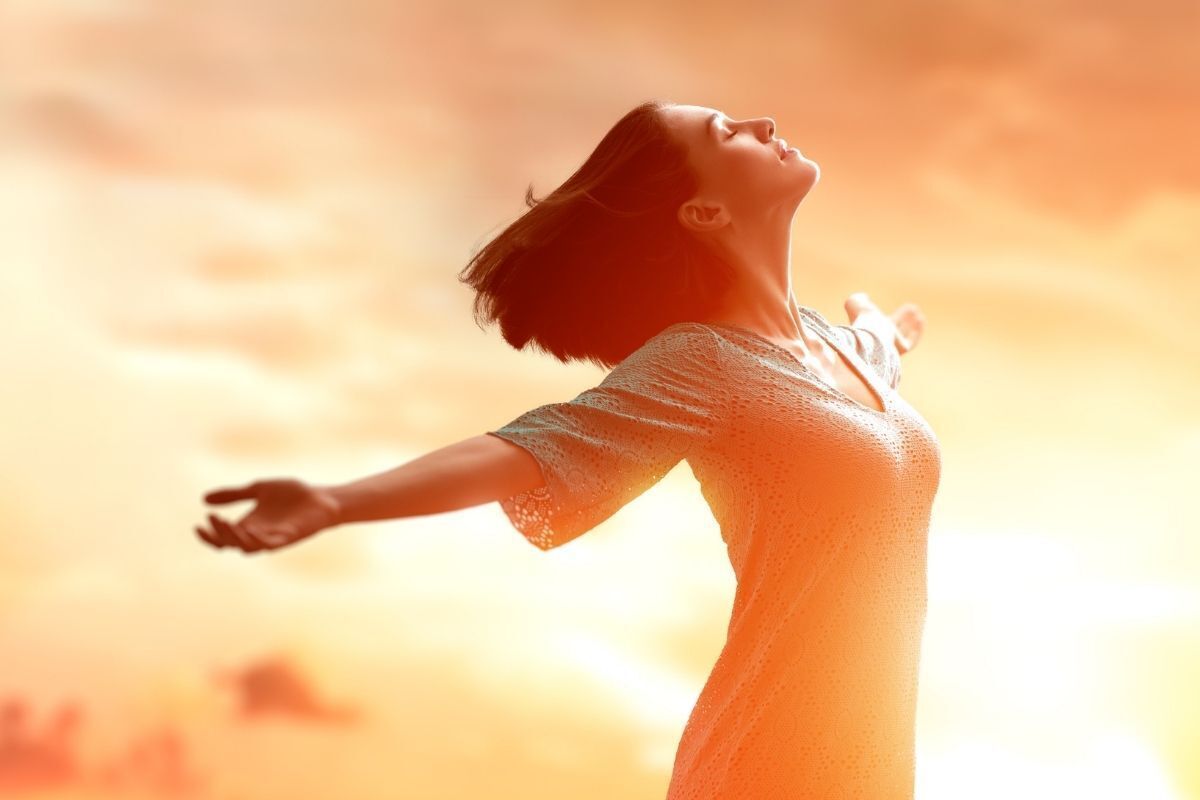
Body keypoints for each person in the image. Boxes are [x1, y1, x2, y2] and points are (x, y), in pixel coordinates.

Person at [195, 100, 941, 799]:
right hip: (771, 762)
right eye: (725, 134)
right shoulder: (703, 364)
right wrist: (335, 502)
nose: (760, 121)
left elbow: (875, 354)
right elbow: (527, 450)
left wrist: (886, 330)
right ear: (704, 212)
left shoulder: (844, 353)